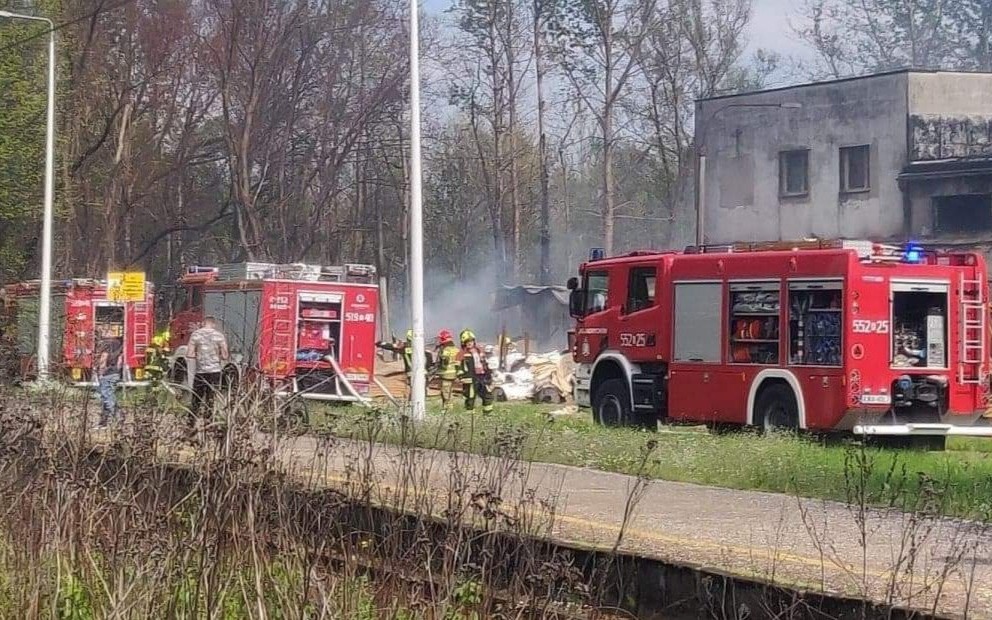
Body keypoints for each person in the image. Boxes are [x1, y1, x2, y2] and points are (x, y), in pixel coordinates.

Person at [187, 317, 229, 423]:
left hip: (200, 372)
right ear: (214, 324)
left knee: (196, 399)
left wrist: (199, 355)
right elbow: (225, 356)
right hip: (215, 372)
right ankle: (209, 423)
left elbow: (189, 354)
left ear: (203, 323)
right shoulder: (219, 336)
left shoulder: (196, 335)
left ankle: (191, 423)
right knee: (211, 400)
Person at [94, 324, 124, 427]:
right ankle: (103, 421)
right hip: (115, 373)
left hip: (107, 374)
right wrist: (117, 371)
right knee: (107, 397)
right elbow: (120, 360)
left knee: (107, 396)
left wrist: (101, 371)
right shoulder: (118, 343)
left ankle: (118, 416)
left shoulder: (106, 344)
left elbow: (104, 358)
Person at [458, 329, 493, 414]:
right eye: (467, 341)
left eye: (471, 341)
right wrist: (462, 376)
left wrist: (488, 375)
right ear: (464, 343)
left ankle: (488, 415)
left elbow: (485, 364)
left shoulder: (479, 351)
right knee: (470, 397)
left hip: (482, 377)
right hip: (470, 379)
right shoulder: (462, 354)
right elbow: (458, 367)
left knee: (487, 395)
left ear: (474, 341)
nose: (470, 343)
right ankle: (470, 418)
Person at [434, 329, 459, 413]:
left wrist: (441, 356)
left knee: (445, 392)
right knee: (449, 391)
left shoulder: (446, 350)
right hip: (454, 373)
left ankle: (446, 409)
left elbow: (444, 361)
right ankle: (449, 407)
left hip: (446, 374)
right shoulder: (455, 349)